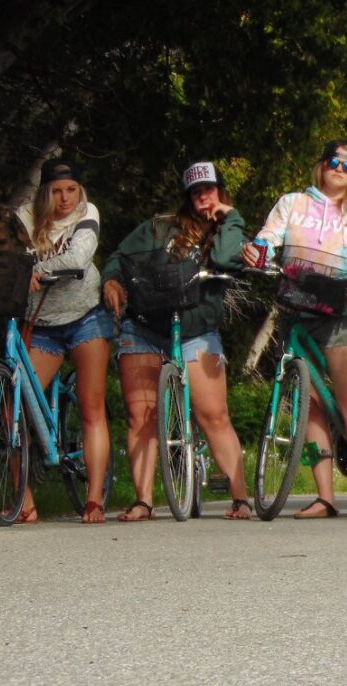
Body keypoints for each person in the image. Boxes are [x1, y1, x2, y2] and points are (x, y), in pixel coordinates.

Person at [243, 140, 347, 518]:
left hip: (339, 316)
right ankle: (325, 496)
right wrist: (256, 250)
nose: (339, 170)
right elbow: (269, 237)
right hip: (296, 311)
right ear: (321, 164)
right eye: (334, 162)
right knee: (308, 409)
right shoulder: (293, 203)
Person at [100, 161, 251, 521]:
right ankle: (143, 500)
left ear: (222, 192)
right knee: (141, 415)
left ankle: (240, 498)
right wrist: (111, 280)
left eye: (210, 190)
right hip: (145, 326)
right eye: (196, 192)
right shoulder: (158, 227)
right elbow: (120, 258)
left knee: (213, 414)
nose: (203, 196)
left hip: (197, 330)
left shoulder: (231, 231)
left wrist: (230, 217)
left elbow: (228, 259)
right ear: (187, 197)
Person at [0, 158, 113, 526]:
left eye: (71, 190)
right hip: (43, 324)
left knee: (91, 406)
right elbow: (3, 252)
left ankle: (94, 499)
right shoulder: (24, 217)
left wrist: (33, 269)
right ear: (44, 193)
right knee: (13, 410)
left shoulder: (87, 213)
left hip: (86, 317)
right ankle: (25, 504)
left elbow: (80, 255)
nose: (65, 198)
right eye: (56, 191)